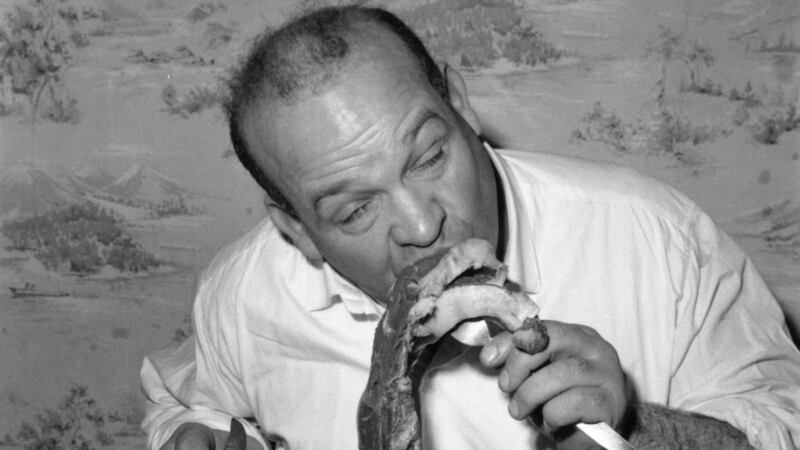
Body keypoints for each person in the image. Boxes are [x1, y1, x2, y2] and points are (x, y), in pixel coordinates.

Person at [140, 5, 800, 450]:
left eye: (429, 157)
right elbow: (191, 401)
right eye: (354, 210)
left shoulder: (656, 238)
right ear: (297, 231)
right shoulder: (241, 293)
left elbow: (783, 425)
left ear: (461, 106)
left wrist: (639, 425)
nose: (423, 224)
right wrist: (193, 432)